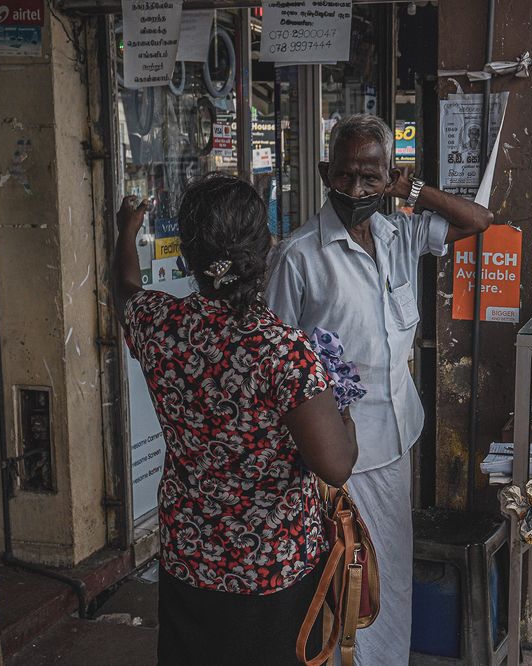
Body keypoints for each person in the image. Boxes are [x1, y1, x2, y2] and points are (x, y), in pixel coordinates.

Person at [266, 113, 493, 664]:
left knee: (389, 567)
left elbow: (479, 220)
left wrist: (412, 189)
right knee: (349, 578)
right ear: (325, 173)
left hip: (397, 436)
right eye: (346, 176)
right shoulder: (300, 255)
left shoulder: (400, 233)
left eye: (372, 177)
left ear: (390, 176)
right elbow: (272, 358)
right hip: (339, 453)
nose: (357, 190)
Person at [111, 175, 358, 665]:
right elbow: (336, 466)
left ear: (188, 257)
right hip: (272, 571)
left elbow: (124, 289)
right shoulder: (284, 354)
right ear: (265, 251)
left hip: (188, 558)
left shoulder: (161, 326)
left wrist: (126, 231)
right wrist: (343, 405)